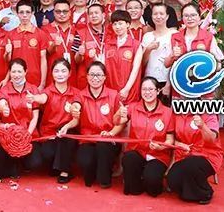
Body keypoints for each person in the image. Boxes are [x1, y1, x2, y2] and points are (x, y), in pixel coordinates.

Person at [74, 61, 126, 189]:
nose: (95, 78)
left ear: (104, 77)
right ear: (87, 77)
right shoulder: (80, 94)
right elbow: (75, 105)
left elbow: (121, 123)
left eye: (98, 75)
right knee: (87, 169)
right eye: (92, 74)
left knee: (103, 147)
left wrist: (110, 133)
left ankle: (105, 179)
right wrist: (74, 108)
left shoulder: (114, 95)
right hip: (87, 140)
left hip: (108, 139)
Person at [121, 76, 175, 196]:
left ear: (158, 91)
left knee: (153, 189)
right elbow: (118, 122)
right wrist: (120, 114)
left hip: (158, 155)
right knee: (129, 161)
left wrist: (161, 147)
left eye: (151, 89)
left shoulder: (167, 112)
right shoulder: (133, 107)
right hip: (137, 151)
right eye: (144, 89)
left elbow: (170, 139)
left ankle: (148, 178)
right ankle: (137, 181)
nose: (147, 92)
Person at [31, 59, 80, 184]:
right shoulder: (48, 91)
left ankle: (65, 171)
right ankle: (56, 165)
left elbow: (76, 119)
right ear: (52, 73)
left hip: (68, 131)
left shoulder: (76, 93)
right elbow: (43, 98)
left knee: (67, 138)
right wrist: (34, 97)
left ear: (69, 73)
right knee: (46, 154)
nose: (60, 74)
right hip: (50, 133)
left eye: (63, 71)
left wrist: (67, 125)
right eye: (56, 71)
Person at [167, 112, 224, 204]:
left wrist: (203, 126)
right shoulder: (176, 114)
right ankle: (189, 190)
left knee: (190, 165)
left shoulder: (209, 113)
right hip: (183, 155)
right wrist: (180, 144)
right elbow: (170, 138)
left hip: (207, 155)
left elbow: (211, 139)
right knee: (172, 180)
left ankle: (206, 192)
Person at [0, 59, 43, 173]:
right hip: (10, 136)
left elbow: (35, 116)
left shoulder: (33, 89)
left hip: (29, 133)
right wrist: (3, 108)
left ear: (25, 72)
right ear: (10, 72)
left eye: (19, 71)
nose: (16, 75)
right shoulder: (4, 90)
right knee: (9, 168)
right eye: (13, 72)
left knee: (35, 163)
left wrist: (27, 135)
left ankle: (23, 160)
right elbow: (1, 103)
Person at [165, 3, 224, 70]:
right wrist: (172, 55)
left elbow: (218, 63)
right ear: (182, 18)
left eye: (193, 15)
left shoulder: (208, 37)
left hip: (202, 75)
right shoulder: (175, 37)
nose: (190, 18)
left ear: (199, 17)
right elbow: (166, 64)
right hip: (180, 75)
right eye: (186, 16)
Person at [105, 10, 145, 105]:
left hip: (130, 91)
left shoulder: (136, 45)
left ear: (128, 24)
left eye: (120, 23)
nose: (117, 27)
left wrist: (127, 89)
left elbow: (135, 69)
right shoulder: (108, 45)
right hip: (111, 90)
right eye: (114, 24)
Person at [5, 0, 47, 89]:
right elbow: (8, 60)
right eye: (21, 12)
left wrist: (42, 83)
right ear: (17, 14)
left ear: (32, 13)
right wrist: (7, 53)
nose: (24, 15)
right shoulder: (10, 34)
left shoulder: (41, 34)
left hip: (35, 80)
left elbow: (43, 59)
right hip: (16, 80)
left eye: (27, 12)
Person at [141, 3, 176, 99]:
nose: (158, 16)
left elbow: (176, 61)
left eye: (161, 13)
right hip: (150, 80)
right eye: (155, 14)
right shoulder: (147, 36)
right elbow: (142, 63)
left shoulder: (174, 34)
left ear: (167, 16)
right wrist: (148, 49)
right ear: (151, 16)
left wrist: (168, 84)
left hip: (168, 80)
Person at [42, 0, 78, 80]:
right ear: (54, 13)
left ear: (70, 13)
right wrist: (54, 45)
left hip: (72, 74)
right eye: (58, 11)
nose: (62, 14)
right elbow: (46, 53)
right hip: (53, 74)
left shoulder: (76, 30)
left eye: (65, 11)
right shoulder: (45, 29)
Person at [74, 3, 107, 89]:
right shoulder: (80, 33)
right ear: (88, 17)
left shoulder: (110, 32)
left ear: (103, 15)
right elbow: (76, 61)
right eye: (91, 14)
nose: (94, 16)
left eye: (96, 13)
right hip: (86, 79)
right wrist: (79, 53)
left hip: (107, 77)